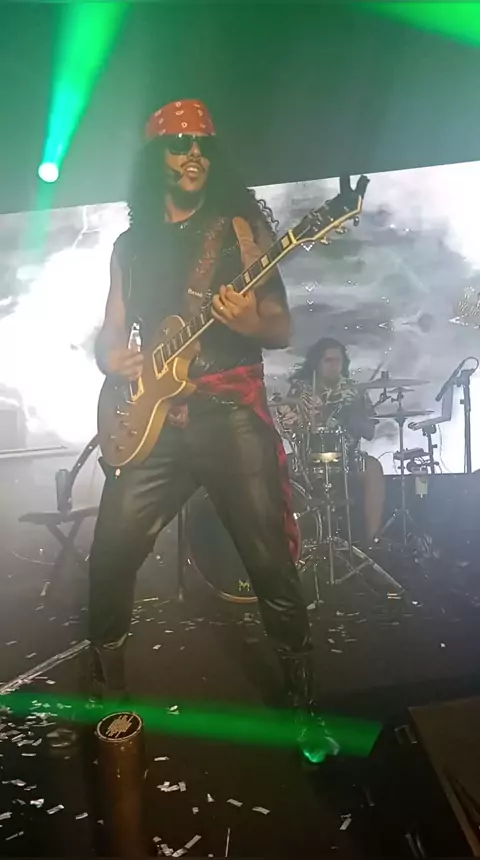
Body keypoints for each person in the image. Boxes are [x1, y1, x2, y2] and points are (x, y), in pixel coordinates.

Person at [88, 99, 338, 762]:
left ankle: (304, 709)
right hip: (154, 423)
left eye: (202, 143)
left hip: (226, 411)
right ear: (156, 160)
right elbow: (111, 330)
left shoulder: (238, 230)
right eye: (179, 144)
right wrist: (111, 359)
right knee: (109, 555)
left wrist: (249, 322)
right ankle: (109, 693)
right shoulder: (129, 247)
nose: (193, 153)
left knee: (269, 561)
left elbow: (279, 328)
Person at [277, 337, 385, 544]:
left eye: (338, 360)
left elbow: (370, 432)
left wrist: (351, 417)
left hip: (348, 457)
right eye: (328, 360)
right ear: (317, 363)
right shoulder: (301, 390)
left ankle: (374, 540)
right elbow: (289, 429)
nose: (334, 365)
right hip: (307, 457)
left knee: (373, 468)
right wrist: (295, 420)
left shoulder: (355, 391)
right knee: (277, 468)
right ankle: (285, 541)